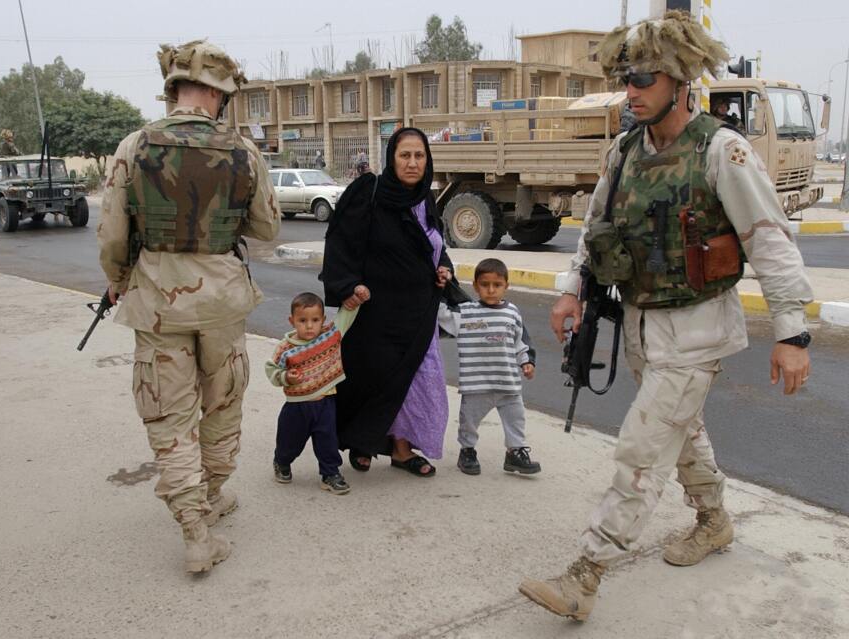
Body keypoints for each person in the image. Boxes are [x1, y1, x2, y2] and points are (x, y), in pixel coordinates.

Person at [519, 11, 813, 621]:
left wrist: (793, 331)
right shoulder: (624, 152)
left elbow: (770, 239)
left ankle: (586, 574)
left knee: (643, 447)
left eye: (644, 79)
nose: (631, 91)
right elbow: (593, 230)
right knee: (683, 435)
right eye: (627, 79)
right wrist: (572, 291)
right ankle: (714, 520)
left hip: (699, 326)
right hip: (641, 322)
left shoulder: (720, 149)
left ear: (680, 82)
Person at [97, 39, 280, 573]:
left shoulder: (133, 146)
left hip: (156, 301)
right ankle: (214, 494)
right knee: (222, 405)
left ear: (172, 87)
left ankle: (195, 530)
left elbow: (112, 234)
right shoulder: (244, 151)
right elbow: (267, 229)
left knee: (169, 415)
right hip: (222, 299)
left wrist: (117, 279)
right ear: (221, 94)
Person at [319, 127, 455, 478]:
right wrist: (347, 285)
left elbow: (435, 244)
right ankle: (363, 442)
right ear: (391, 157)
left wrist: (444, 269)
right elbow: (340, 241)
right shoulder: (368, 191)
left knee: (414, 380)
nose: (412, 163)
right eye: (405, 155)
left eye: (419, 156)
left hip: (418, 310)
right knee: (371, 377)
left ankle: (402, 450)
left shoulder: (425, 198)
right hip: (375, 310)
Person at [437, 258, 540, 476]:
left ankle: (515, 452)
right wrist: (442, 284)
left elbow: (520, 342)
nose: (491, 290)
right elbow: (441, 313)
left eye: (497, 285)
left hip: (509, 384)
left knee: (516, 420)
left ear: (506, 286)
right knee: (469, 423)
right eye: (485, 285)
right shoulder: (465, 313)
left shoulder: (512, 312)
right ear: (475, 286)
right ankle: (467, 451)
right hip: (476, 386)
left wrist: (527, 362)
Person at [266, 288, 370, 495]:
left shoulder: (330, 336)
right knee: (290, 442)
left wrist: (357, 300)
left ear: (322, 319)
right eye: (302, 320)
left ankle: (330, 474)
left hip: (326, 403)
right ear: (292, 321)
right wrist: (286, 377)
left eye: (315, 320)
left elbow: (345, 317)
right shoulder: (285, 348)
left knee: (328, 441)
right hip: (297, 407)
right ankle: (282, 462)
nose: (309, 326)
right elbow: (272, 369)